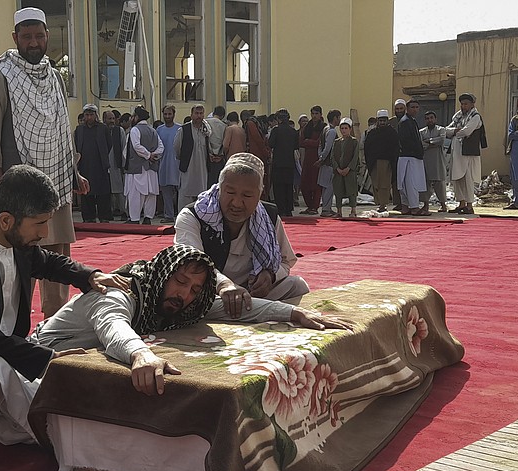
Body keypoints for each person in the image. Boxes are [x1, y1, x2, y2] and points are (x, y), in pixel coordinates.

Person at [0, 165, 129, 455]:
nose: (45, 233)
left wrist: (89, 276)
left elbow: (46, 262)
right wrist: (48, 358)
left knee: (18, 384)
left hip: (9, 346)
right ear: (7, 220)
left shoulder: (15, 239)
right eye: (39, 224)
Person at [32, 244, 347, 396]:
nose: (185, 295)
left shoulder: (179, 303)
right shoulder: (122, 290)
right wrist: (140, 354)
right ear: (163, 275)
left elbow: (232, 309)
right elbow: (113, 326)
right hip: (35, 366)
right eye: (180, 282)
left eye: (195, 289)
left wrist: (293, 313)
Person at [0, 7, 89, 318]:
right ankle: (15, 327)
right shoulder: (0, 75)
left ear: (47, 37)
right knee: (20, 257)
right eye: (26, 37)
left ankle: (57, 324)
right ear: (15, 38)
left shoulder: (54, 76)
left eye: (38, 36)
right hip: (18, 187)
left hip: (55, 179)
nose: (33, 42)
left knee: (58, 252)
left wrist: (74, 173)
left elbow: (61, 127)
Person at [174, 153, 309, 304]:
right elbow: (192, 263)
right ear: (219, 189)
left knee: (297, 286)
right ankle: (261, 310)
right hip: (212, 294)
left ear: (260, 195)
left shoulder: (268, 216)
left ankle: (254, 309)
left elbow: (286, 261)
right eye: (230, 192)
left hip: (252, 295)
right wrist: (225, 285)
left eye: (247, 195)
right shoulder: (193, 216)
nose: (237, 203)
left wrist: (270, 275)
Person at [446, 93, 486, 215]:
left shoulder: (475, 117)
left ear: (472, 104)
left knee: (468, 178)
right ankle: (461, 203)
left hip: (468, 152)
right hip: (456, 151)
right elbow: (446, 130)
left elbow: (467, 131)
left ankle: (469, 205)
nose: (463, 106)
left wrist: (454, 132)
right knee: (457, 178)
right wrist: (454, 131)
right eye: (462, 104)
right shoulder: (458, 117)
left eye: (466, 104)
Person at [124, 106, 163, 224]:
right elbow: (161, 147)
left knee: (136, 193)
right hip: (150, 167)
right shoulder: (153, 131)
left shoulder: (135, 130)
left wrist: (148, 155)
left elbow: (136, 146)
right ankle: (148, 217)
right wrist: (153, 155)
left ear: (136, 117)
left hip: (137, 168)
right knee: (150, 193)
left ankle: (135, 219)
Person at [74, 104, 112, 223]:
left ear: (96, 115)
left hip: (100, 166)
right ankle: (89, 218)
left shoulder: (102, 128)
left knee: (103, 193)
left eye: (91, 115)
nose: (89, 117)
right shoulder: (79, 129)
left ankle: (104, 218)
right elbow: (76, 146)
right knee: (86, 192)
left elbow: (109, 145)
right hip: (85, 166)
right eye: (87, 115)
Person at [174, 104, 211, 206]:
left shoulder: (206, 130)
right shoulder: (183, 130)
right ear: (191, 114)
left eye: (201, 113)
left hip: (202, 169)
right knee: (185, 194)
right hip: (188, 168)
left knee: (202, 195)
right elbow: (177, 148)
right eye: (196, 113)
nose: (199, 116)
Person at [364, 110, 399, 212]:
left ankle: (383, 205)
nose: (382, 123)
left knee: (384, 184)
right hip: (374, 163)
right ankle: (379, 203)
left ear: (387, 121)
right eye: (380, 120)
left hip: (387, 163)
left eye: (384, 120)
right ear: (377, 121)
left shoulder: (392, 133)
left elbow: (395, 149)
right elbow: (367, 148)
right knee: (376, 184)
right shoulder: (372, 133)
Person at [396, 99, 427, 215]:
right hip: (409, 157)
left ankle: (406, 206)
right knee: (410, 183)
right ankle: (414, 207)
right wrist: (418, 150)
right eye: (412, 107)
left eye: (416, 107)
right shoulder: (405, 122)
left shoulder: (411, 121)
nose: (415, 109)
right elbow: (407, 141)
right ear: (407, 109)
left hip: (412, 156)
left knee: (407, 183)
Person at [267, 108, 299, 216]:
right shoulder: (293, 131)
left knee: (278, 187)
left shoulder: (276, 130)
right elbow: (296, 146)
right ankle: (289, 209)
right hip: (290, 163)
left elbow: (270, 144)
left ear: (278, 119)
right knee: (288, 187)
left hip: (278, 163)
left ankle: (281, 209)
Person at [156, 104, 182, 223]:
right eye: (165, 114)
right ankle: (169, 215)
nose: (167, 116)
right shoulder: (159, 130)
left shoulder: (180, 129)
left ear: (173, 114)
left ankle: (182, 216)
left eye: (169, 114)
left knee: (180, 192)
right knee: (166, 192)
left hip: (178, 165)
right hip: (163, 165)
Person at [419, 111, 449, 213]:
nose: (430, 120)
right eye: (427, 118)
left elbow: (441, 140)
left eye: (431, 118)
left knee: (439, 183)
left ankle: (443, 205)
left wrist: (429, 141)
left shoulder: (441, 129)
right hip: (426, 161)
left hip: (438, 161)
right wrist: (432, 143)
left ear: (435, 119)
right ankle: (425, 205)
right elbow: (421, 144)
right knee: (426, 184)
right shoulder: (421, 132)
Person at [331, 117, 360, 218]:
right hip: (338, 171)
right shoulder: (336, 142)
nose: (343, 130)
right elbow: (333, 157)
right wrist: (337, 169)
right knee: (338, 190)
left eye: (345, 128)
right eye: (342, 128)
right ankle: (339, 211)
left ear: (350, 129)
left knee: (351, 190)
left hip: (350, 171)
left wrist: (348, 168)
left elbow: (355, 157)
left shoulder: (354, 142)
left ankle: (353, 210)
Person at [316, 109, 341, 217]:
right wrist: (322, 158)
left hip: (324, 163)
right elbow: (328, 148)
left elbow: (320, 146)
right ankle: (326, 209)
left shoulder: (325, 129)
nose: (339, 120)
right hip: (329, 163)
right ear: (335, 118)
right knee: (329, 187)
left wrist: (320, 157)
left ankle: (327, 208)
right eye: (339, 117)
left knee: (325, 186)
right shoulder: (332, 131)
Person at [103, 110, 128, 219]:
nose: (112, 121)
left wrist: (123, 165)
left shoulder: (119, 131)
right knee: (107, 191)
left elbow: (123, 148)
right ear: (104, 120)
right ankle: (110, 212)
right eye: (109, 119)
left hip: (117, 165)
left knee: (119, 191)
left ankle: (124, 212)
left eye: (113, 118)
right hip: (104, 165)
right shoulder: (101, 130)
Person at [300, 106, 325, 214]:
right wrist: (311, 142)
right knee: (304, 183)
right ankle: (309, 206)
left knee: (316, 184)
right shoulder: (308, 127)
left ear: (320, 115)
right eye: (313, 114)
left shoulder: (323, 127)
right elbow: (301, 142)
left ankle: (314, 207)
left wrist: (308, 142)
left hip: (317, 157)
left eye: (316, 114)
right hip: (307, 158)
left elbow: (319, 143)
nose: (314, 116)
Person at [505, 96, 518, 210]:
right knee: (515, 180)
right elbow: (510, 134)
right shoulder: (515, 119)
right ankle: (515, 202)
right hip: (515, 153)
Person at [389, 98, 407, 209]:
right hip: (393, 154)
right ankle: (398, 202)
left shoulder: (408, 120)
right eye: (397, 109)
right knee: (395, 179)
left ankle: (406, 202)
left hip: (405, 153)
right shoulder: (391, 122)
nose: (399, 110)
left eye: (401, 108)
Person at [207, 105, 228, 187]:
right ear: (222, 116)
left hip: (208, 157)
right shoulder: (224, 126)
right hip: (219, 157)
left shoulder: (205, 122)